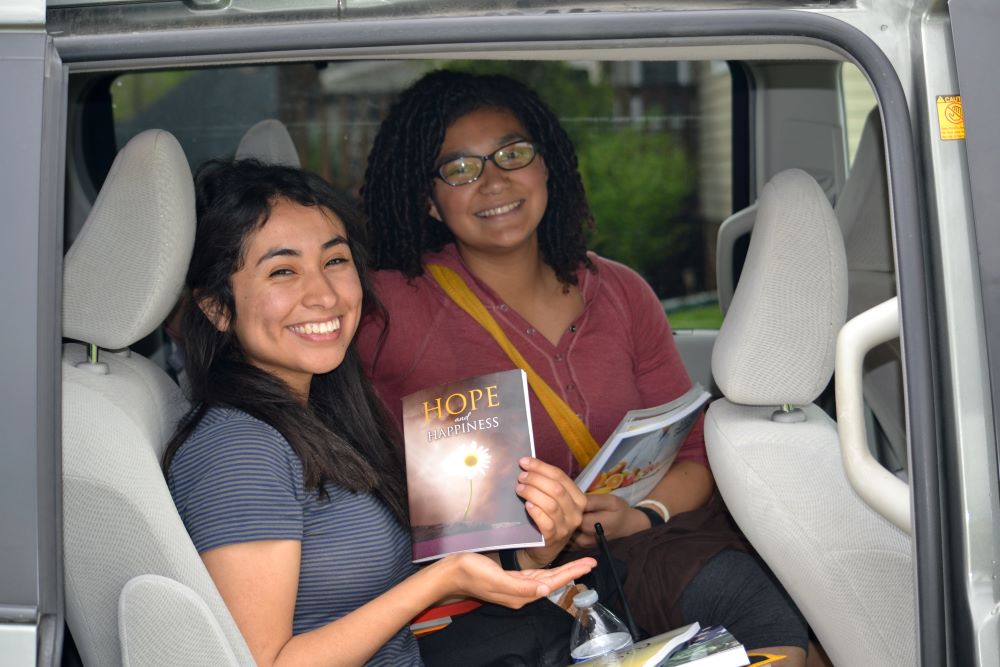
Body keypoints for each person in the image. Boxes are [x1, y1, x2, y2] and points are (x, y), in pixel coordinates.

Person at [356, 69, 812, 665]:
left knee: (761, 606)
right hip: (490, 588)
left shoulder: (620, 291)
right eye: (461, 169)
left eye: (512, 154)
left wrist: (639, 514)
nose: (493, 181)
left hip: (632, 558)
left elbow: (697, 452)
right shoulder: (389, 306)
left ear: (546, 166)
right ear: (430, 203)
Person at [162, 159, 596, 667]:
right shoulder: (239, 449)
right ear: (217, 307)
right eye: (283, 271)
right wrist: (444, 576)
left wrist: (530, 554)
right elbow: (265, 663)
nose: (324, 295)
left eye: (336, 261)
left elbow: (372, 595)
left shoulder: (322, 410)